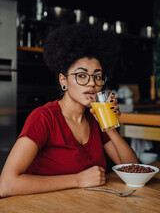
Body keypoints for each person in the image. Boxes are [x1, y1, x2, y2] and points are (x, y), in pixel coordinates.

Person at [0, 23, 138, 198]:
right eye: (81, 75)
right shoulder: (44, 118)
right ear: (63, 80)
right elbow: (6, 185)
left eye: (97, 76)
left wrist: (109, 126)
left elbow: (134, 173)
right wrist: (78, 180)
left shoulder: (95, 118)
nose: (91, 83)